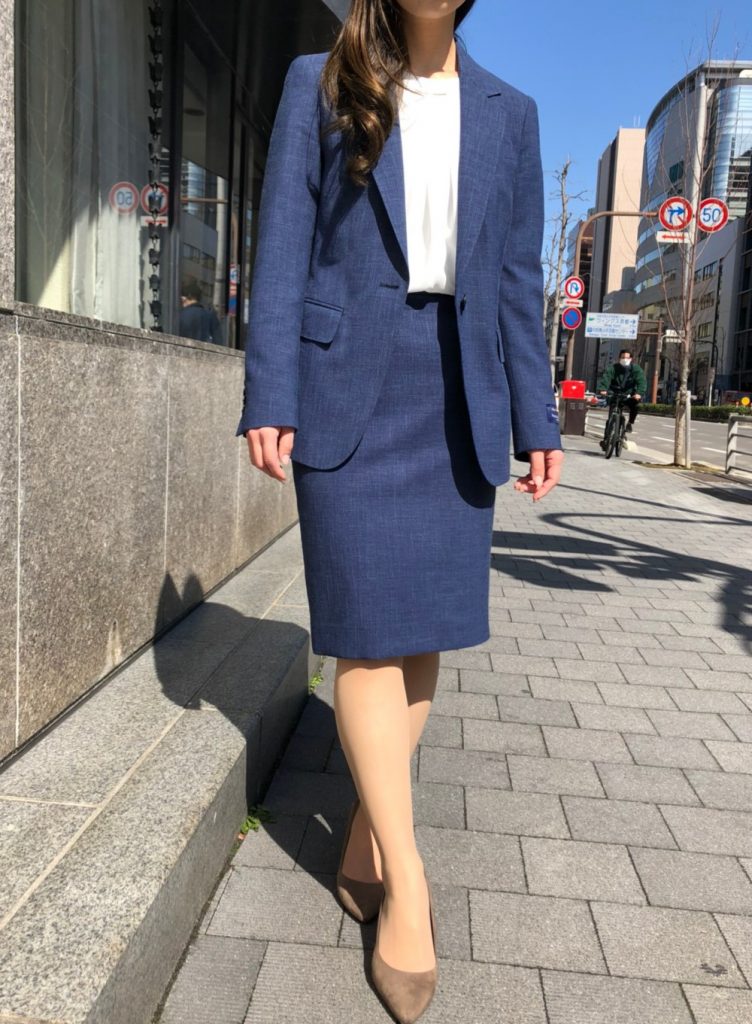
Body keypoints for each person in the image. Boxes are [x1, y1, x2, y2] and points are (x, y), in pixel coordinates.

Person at [235, 2, 563, 1020]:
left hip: (458, 395)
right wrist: (269, 391)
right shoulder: (319, 80)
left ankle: (366, 834)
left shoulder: (511, 113)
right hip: (347, 388)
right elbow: (283, 245)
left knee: (419, 634)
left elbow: (515, 279)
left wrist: (537, 415)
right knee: (366, 639)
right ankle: (408, 881)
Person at [598, 347, 647, 441]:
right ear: (619, 358)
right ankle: (606, 439)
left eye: (627, 358)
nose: (625, 359)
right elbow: (606, 378)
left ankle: (630, 423)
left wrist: (638, 393)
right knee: (611, 417)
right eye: (623, 357)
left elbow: (641, 381)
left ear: (631, 359)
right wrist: (603, 389)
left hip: (629, 395)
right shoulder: (613, 368)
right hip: (615, 394)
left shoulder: (636, 369)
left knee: (635, 406)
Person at [178, 278, 224, 344]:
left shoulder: (181, 315)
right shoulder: (210, 315)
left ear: (189, 295)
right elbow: (218, 341)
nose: (181, 298)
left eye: (183, 295)